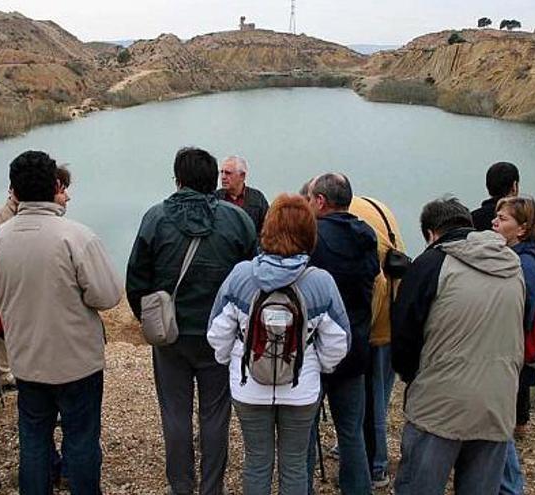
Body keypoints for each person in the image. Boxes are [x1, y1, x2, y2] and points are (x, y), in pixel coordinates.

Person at [0, 150, 122, 495]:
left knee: (33, 441)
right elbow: (107, 296)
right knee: (81, 440)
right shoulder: (76, 237)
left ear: (13, 191)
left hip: (27, 361)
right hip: (77, 362)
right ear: (56, 184)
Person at [126, 147, 257, 495]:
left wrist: (148, 320)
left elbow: (136, 280)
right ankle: (212, 488)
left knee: (175, 412)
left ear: (178, 179)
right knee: (215, 414)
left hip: (171, 335)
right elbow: (253, 278)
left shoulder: (155, 218)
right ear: (213, 179)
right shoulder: (238, 220)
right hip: (221, 336)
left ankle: (181, 485)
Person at [207, 193, 350, 495]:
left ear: (267, 229)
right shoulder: (320, 281)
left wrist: (230, 360)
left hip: (249, 386)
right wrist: (317, 365)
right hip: (301, 388)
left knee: (257, 462)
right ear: (310, 234)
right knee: (296, 464)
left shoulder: (241, 275)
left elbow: (217, 333)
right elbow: (338, 341)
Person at [391, 196, 525, 495]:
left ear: (430, 233)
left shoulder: (431, 264)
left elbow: (403, 336)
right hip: (498, 403)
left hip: (440, 405)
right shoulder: (512, 265)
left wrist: (413, 377)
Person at [303, 174, 380, 495]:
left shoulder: (313, 239)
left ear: (320, 201)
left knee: (304, 432)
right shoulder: (367, 236)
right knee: (351, 432)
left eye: (309, 199)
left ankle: (300, 488)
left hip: (314, 352)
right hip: (354, 348)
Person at [348, 195, 406, 489]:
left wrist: (360, 332)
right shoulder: (374, 207)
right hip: (395, 314)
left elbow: (376, 283)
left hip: (376, 325)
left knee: (371, 400)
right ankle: (358, 448)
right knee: (378, 396)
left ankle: (376, 466)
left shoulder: (356, 220)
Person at [492, 196, 535, 495]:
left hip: (508, 357)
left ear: (522, 229)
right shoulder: (517, 258)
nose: (494, 222)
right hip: (505, 356)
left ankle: (511, 488)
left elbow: (519, 318)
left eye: (503, 219)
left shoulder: (524, 265)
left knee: (499, 426)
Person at [470, 161, 535, 279]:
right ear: (514, 186)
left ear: (488, 187)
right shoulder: (530, 221)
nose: (495, 222)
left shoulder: (471, 219)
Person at [215, 155, 269, 234]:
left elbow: (267, 229)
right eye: (221, 172)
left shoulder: (257, 199)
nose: (223, 177)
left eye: (228, 173)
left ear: (242, 176)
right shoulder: (215, 199)